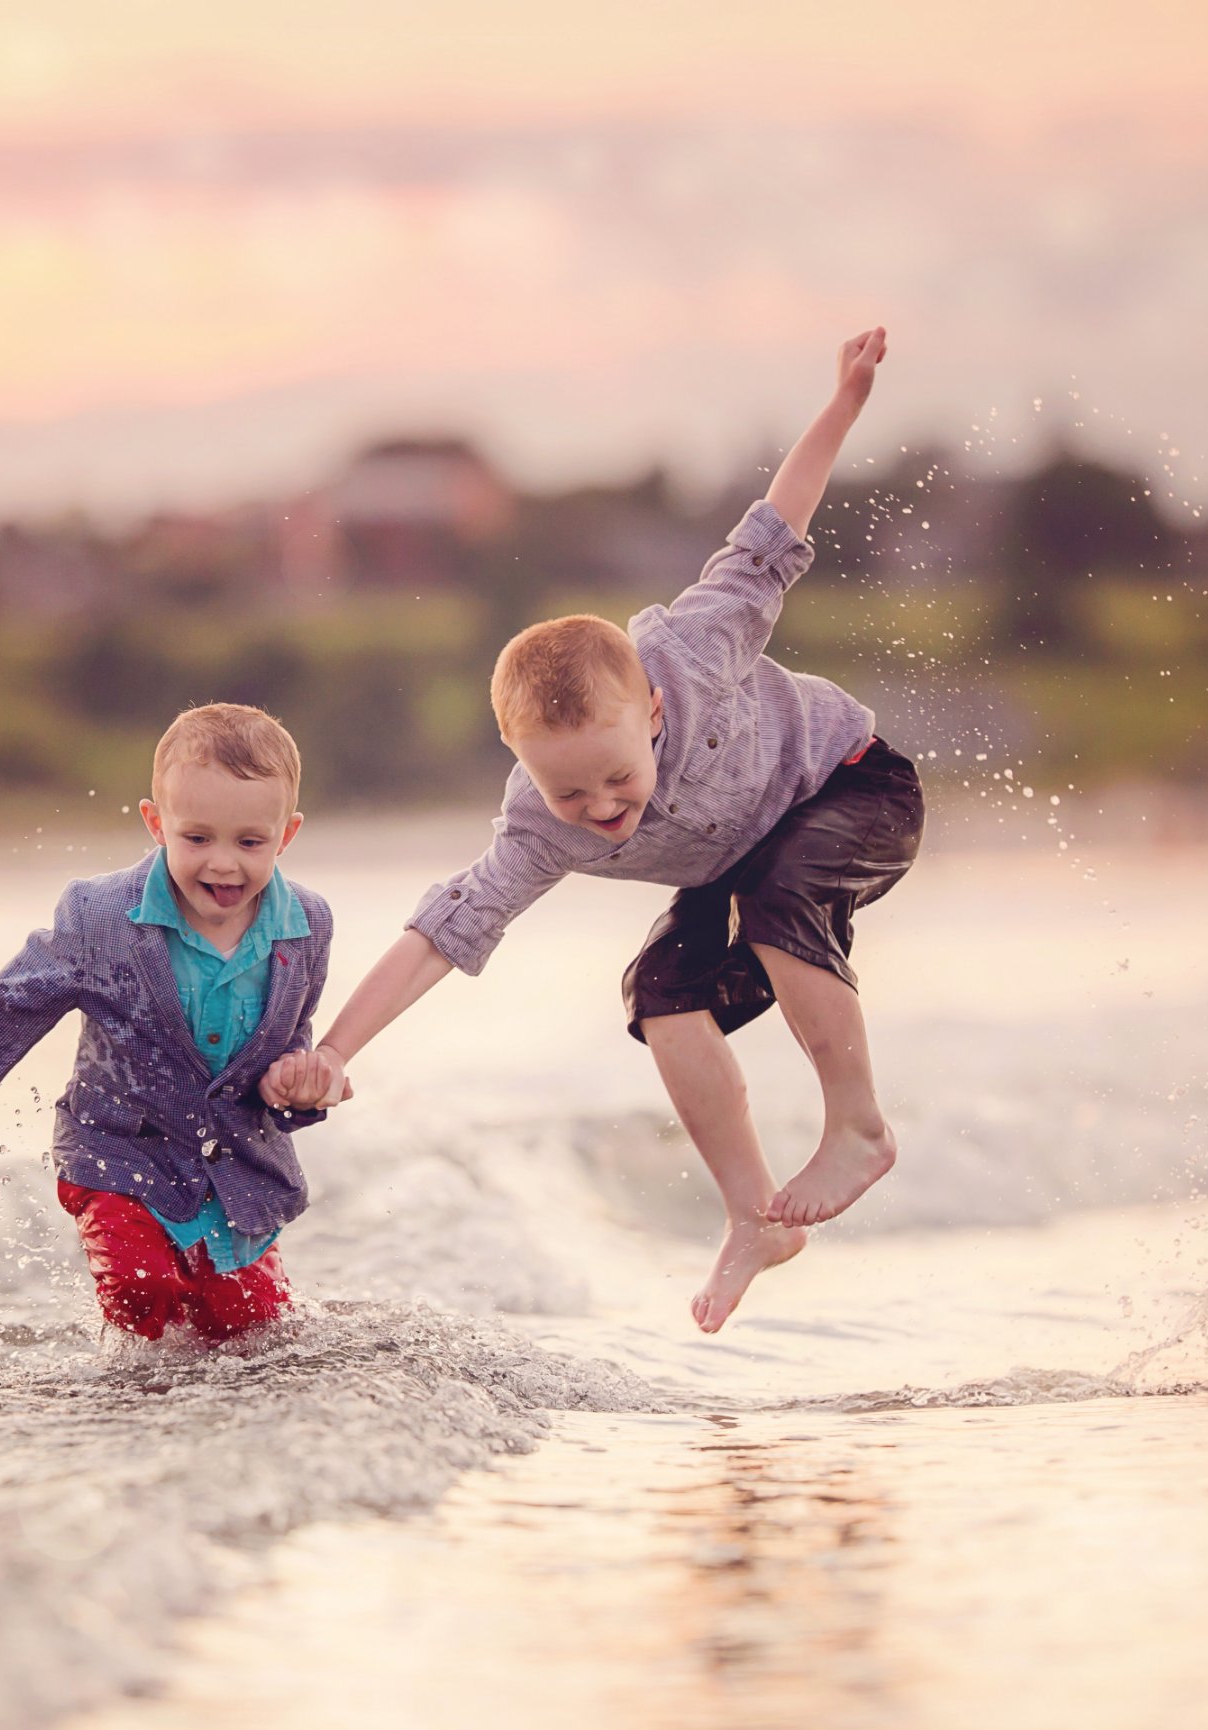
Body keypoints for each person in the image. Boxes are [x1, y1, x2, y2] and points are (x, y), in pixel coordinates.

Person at [270, 327, 921, 1334]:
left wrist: (841, 402)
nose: (605, 811)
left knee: (784, 894)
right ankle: (756, 1214)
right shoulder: (543, 825)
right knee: (661, 993)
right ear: (528, 767)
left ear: (653, 710)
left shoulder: (692, 649)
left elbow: (771, 530)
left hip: (851, 787)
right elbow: (448, 927)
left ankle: (859, 1125)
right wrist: (335, 1049)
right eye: (573, 796)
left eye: (618, 778)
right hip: (741, 861)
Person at [0, 702, 345, 1344]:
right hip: (118, 1151)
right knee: (142, 1289)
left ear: (286, 835)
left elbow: (287, 1044)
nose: (223, 863)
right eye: (197, 838)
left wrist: (300, 1087)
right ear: (156, 824)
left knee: (250, 1328)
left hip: (233, 1164)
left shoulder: (308, 926)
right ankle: (130, 1390)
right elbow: (12, 1003)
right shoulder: (99, 916)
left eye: (249, 842)